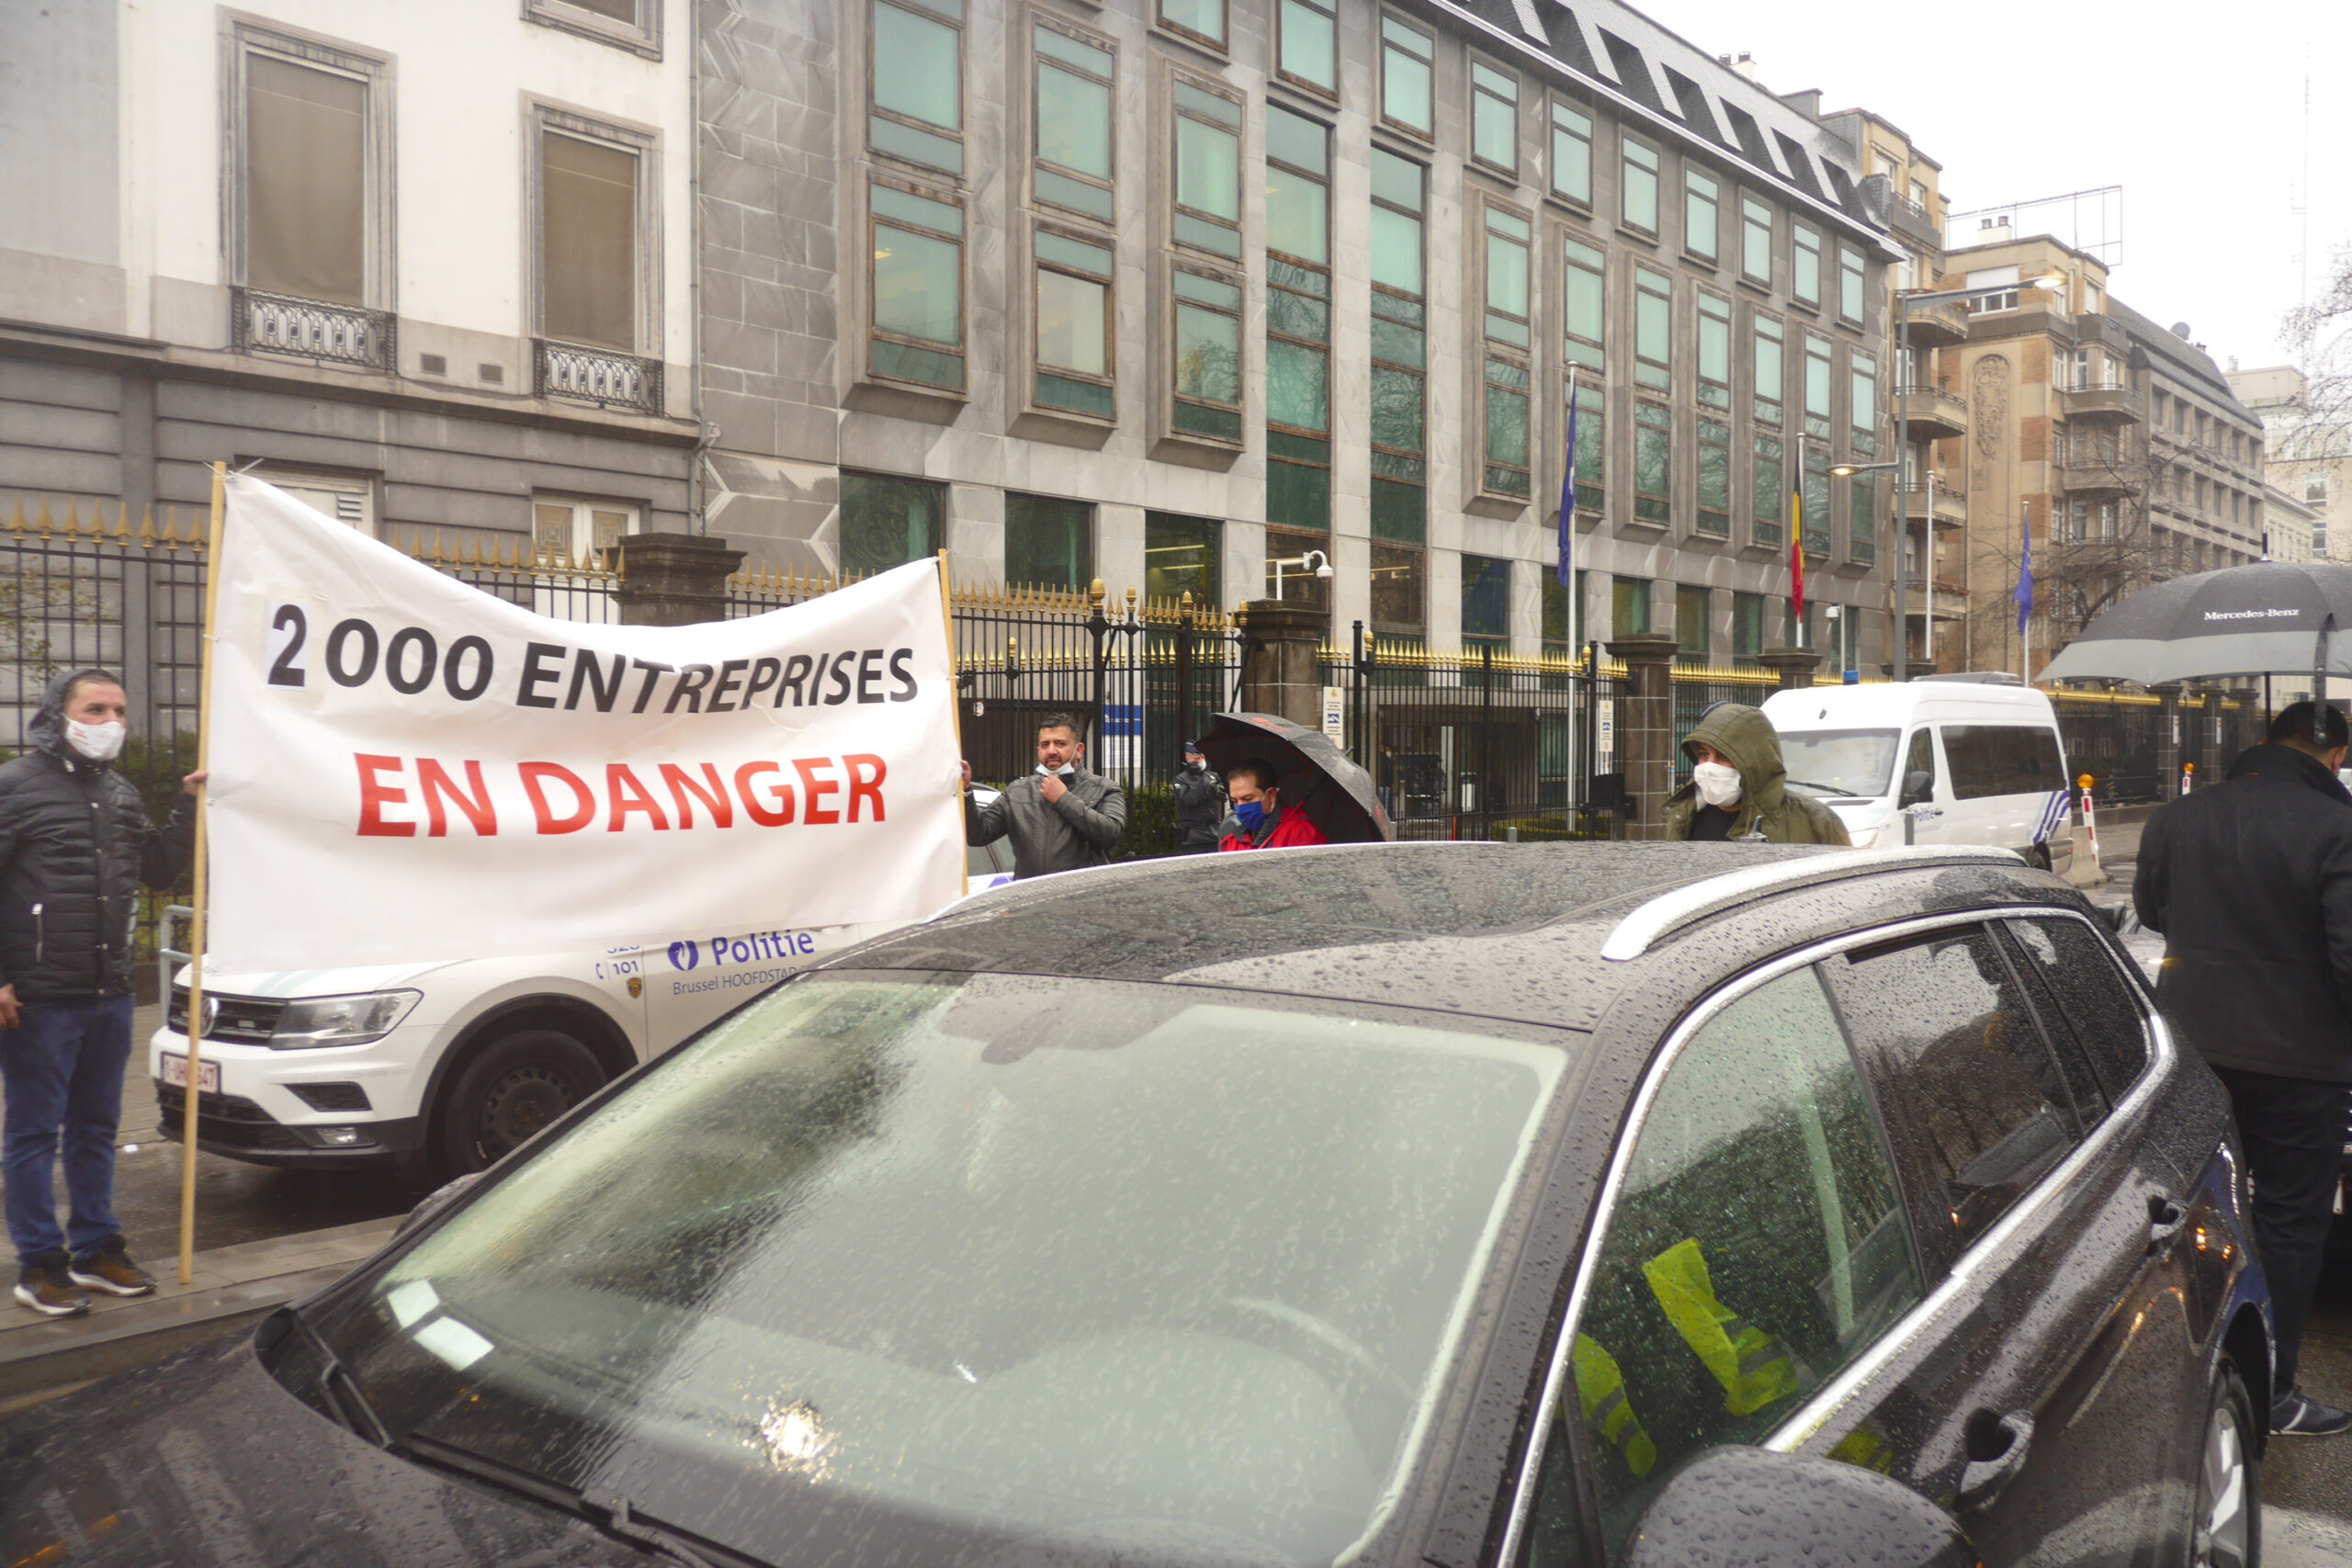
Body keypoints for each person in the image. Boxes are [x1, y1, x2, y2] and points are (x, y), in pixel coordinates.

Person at [2136, 699, 2352, 1436]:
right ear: (2334, 757)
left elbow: (2153, 912)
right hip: (2303, 1064)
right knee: (2291, 1225)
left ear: (2261, 742)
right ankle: (2276, 1390)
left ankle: (2177, 1379)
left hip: (2196, 1053)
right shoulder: (2337, 829)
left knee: (2194, 1215)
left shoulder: (2176, 818)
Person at [1, 669, 201, 1317]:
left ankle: (95, 1249)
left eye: (119, 709)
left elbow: (159, 869)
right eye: (95, 708)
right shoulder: (14, 787)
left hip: (110, 993)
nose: (110, 720)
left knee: (95, 1128)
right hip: (38, 998)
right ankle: (39, 1264)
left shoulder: (117, 793)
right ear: (59, 714)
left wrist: (190, 804)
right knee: (33, 1134)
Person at [963, 713, 1125, 879]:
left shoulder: (1104, 788)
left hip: (1081, 900)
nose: (1052, 751)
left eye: (1060, 744)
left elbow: (1111, 835)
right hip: (1031, 900)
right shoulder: (1017, 791)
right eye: (1045, 745)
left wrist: (1063, 799)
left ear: (1079, 750)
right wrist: (966, 790)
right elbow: (977, 835)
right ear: (1038, 750)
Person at [1661, 703, 1851, 844]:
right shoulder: (1683, 816)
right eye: (1703, 754)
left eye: (1723, 756)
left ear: (1754, 762)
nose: (1709, 767)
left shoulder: (1816, 821)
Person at [1218, 759, 1329, 851]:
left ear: (1271, 795)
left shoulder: (1300, 833)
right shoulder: (1231, 837)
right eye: (1234, 801)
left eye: (1247, 799)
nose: (1240, 807)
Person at [1171, 740, 1225, 854]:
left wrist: (1217, 789)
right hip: (1193, 837)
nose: (1201, 761)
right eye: (1197, 758)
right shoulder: (1181, 780)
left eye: (1202, 757)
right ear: (1188, 759)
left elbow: (1222, 796)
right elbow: (1190, 800)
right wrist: (1198, 777)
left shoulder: (1212, 776)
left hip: (1213, 834)